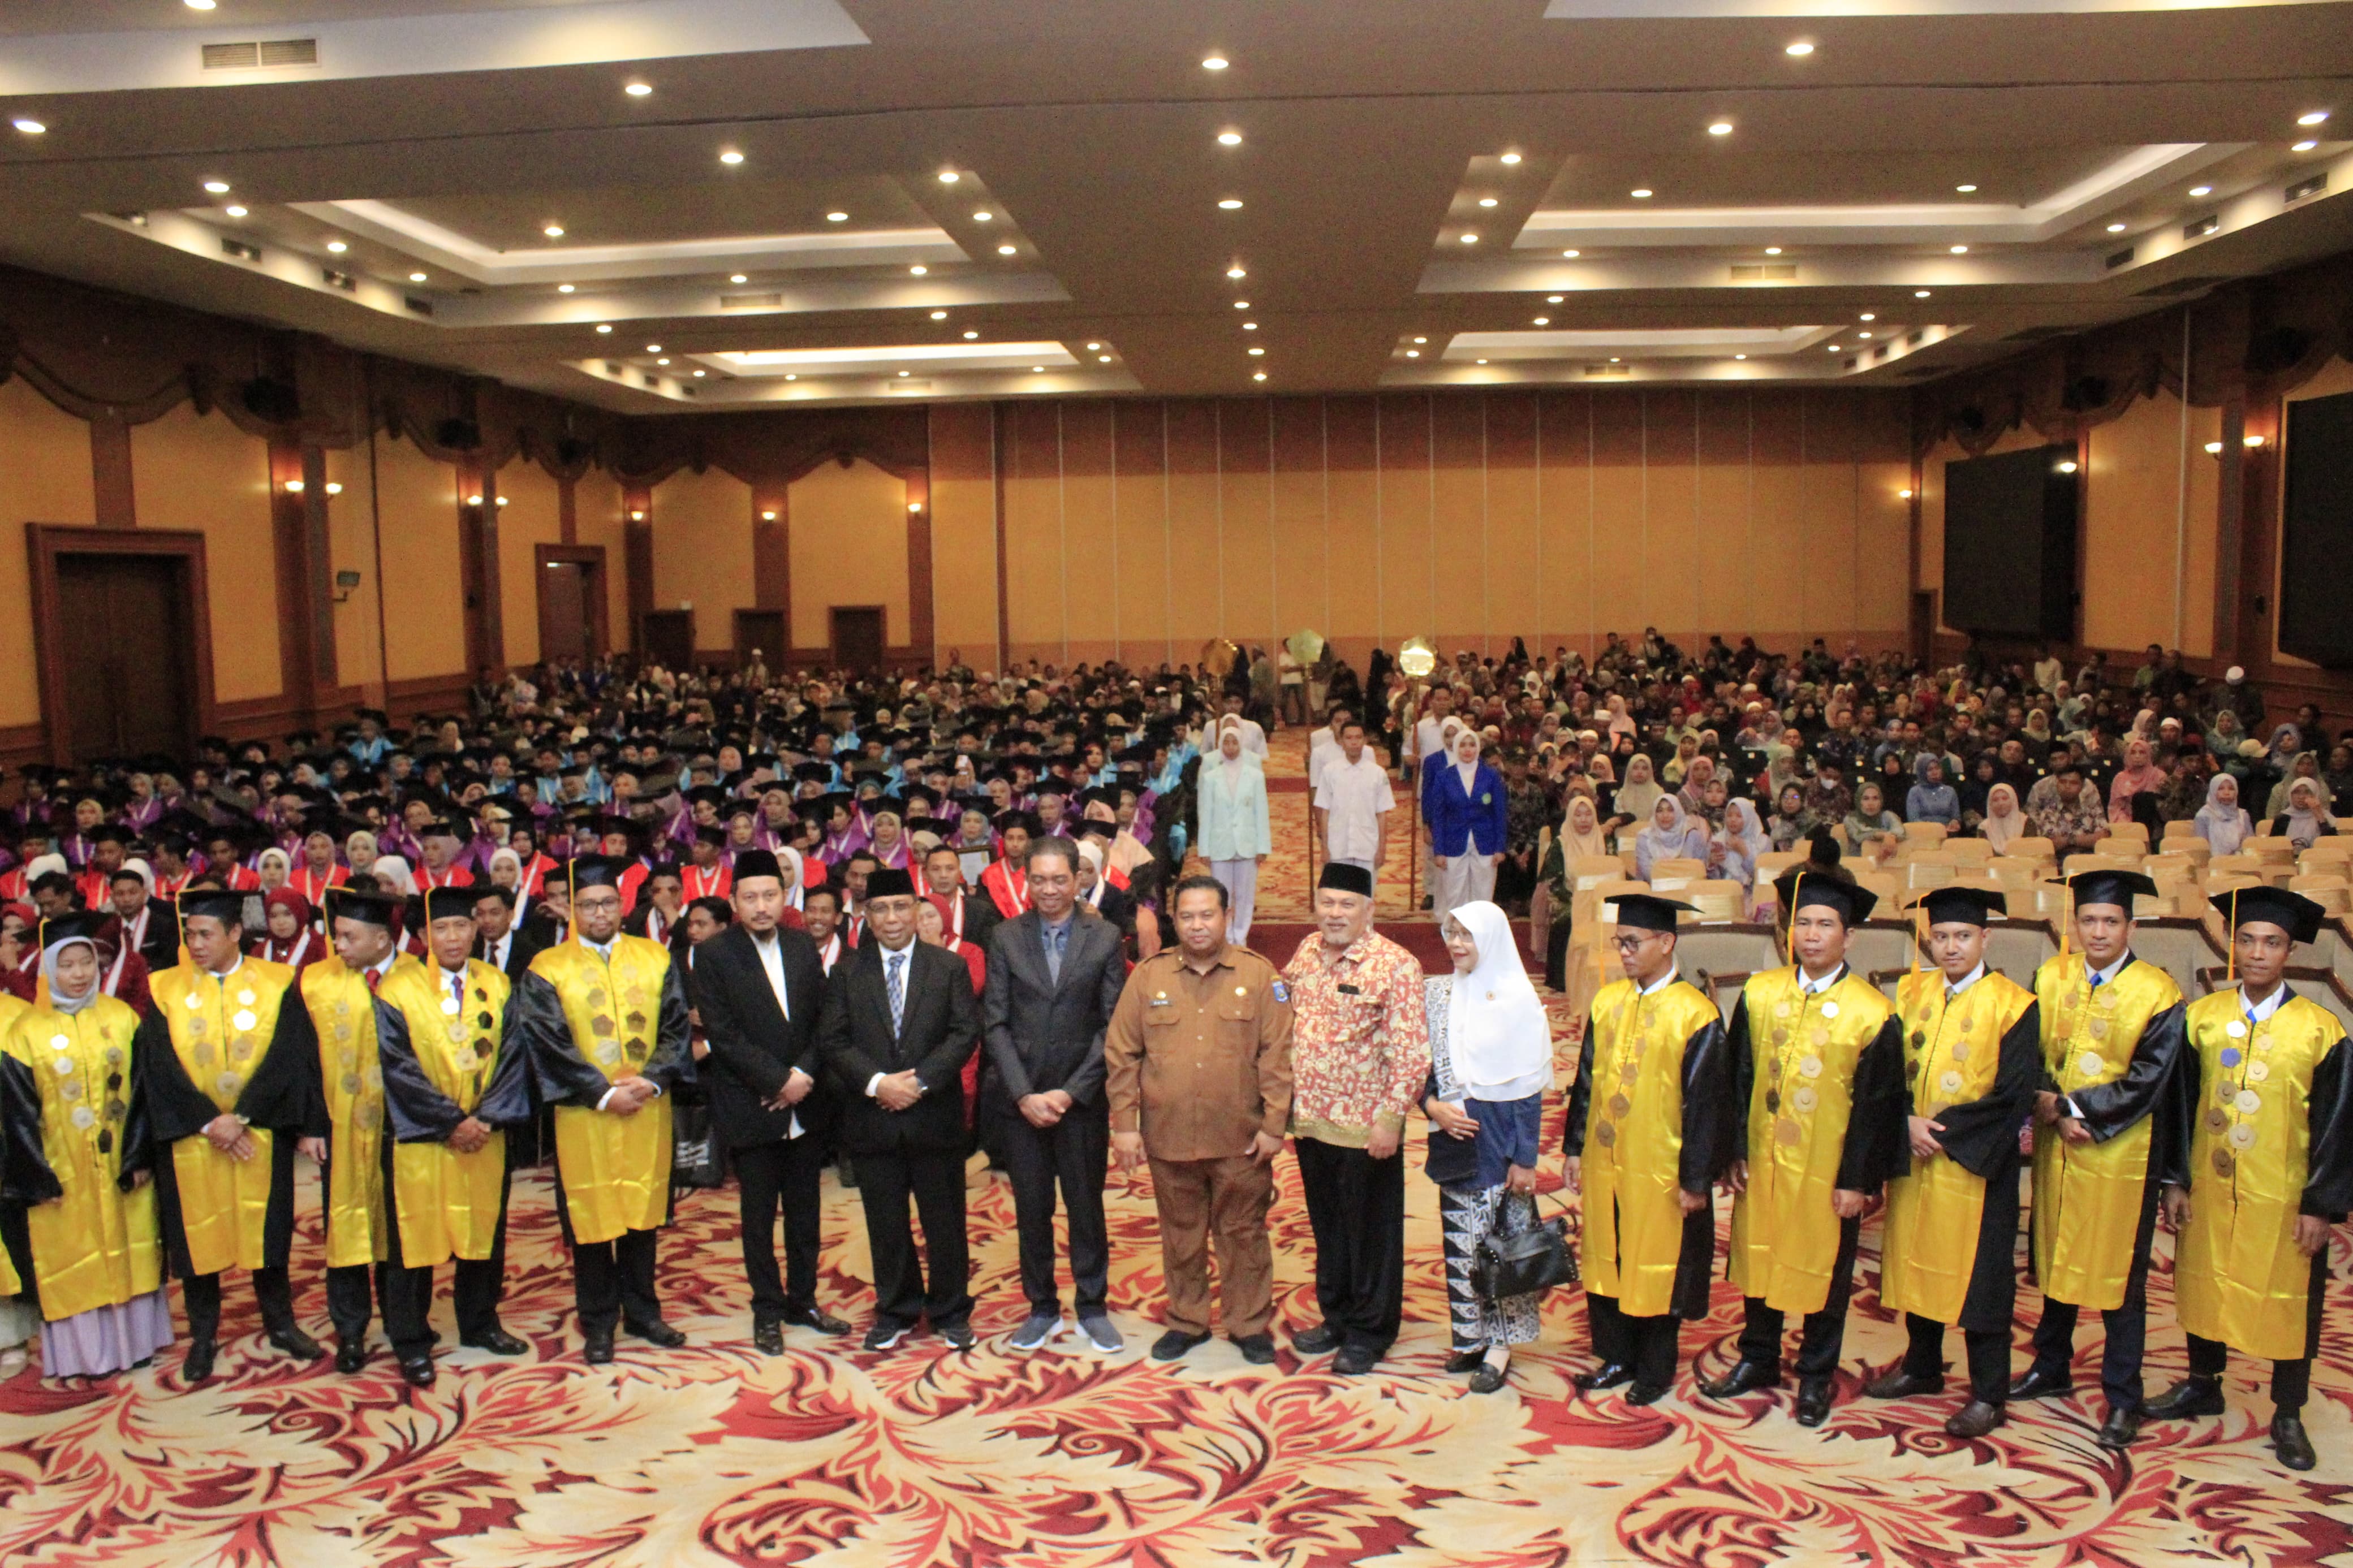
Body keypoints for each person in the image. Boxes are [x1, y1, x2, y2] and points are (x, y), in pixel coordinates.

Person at [2147, 885, 2353, 1472]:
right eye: (2248, 940)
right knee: (2203, 1280)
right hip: (2209, 1186)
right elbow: (2178, 1106)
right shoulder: (2201, 1019)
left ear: (2290, 950)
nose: (2258, 953)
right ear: (2231, 944)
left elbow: (2337, 1124)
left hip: (2283, 1195)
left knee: (2289, 1299)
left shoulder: (2321, 1030)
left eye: (2272, 942)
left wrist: (2319, 1204)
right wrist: (2173, 1180)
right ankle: (2202, 1382)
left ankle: (2287, 1410)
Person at [1705, 871, 1906, 1426]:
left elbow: (1876, 1105)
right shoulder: (1759, 993)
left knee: (1826, 1270)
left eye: (1825, 925)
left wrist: (1857, 1181)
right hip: (1763, 1160)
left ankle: (1816, 1373)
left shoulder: (1872, 1012)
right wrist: (1734, 1150)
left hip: (1827, 1169)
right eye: (1803, 923)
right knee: (1759, 1253)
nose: (1812, 935)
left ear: (1848, 936)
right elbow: (1737, 1077)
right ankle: (1758, 1356)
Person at [2011, 869, 2186, 1450]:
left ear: (2130, 926)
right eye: (2088, 920)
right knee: (2055, 1255)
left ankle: (2123, 1395)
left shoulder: (2157, 992)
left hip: (2120, 1154)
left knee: (2118, 1277)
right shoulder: (2051, 976)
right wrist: (2052, 1107)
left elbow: (2149, 1080)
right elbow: (2030, 1053)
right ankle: (2050, 1365)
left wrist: (2073, 1107)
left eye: (2110, 921)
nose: (2099, 931)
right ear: (2075, 923)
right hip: (2060, 1147)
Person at [132, 887, 325, 1381]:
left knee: (269, 1231)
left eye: (206, 933)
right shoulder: (164, 987)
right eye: (190, 934)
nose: (195, 944)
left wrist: (241, 1116)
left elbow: (290, 1055)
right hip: (192, 1138)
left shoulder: (277, 982)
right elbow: (159, 1065)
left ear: (236, 931)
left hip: (257, 1132)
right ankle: (203, 1335)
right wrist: (209, 1121)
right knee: (198, 1237)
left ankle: (281, 1323)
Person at [1869, 885, 2040, 1437]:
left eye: (1962, 935)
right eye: (1940, 936)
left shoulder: (2014, 1004)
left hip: (1975, 1166)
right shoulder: (1909, 993)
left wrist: (1939, 1132)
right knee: (1916, 1259)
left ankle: (1989, 1394)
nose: (1950, 946)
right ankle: (1922, 1365)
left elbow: (2014, 1093)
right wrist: (1904, 1122)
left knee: (1982, 1279)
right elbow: (1884, 1071)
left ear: (1984, 937)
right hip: (1917, 1158)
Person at [1105, 874, 1293, 1364]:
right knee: (1181, 1234)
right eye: (1186, 916)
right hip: (1169, 1136)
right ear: (1174, 920)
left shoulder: (1259, 975)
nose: (1197, 925)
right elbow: (1122, 1052)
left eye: (1207, 915)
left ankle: (1248, 1323)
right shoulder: (1149, 976)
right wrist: (1125, 1124)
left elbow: (1278, 1055)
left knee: (1244, 1234)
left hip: (1241, 1137)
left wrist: (1275, 1125)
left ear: (1227, 917)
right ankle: (1188, 1320)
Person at [512, 857, 693, 1363]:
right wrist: (603, 1093)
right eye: (588, 905)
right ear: (572, 909)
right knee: (592, 1218)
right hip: (584, 1114)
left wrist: (652, 1080)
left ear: (622, 904)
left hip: (646, 1107)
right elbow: (548, 1041)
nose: (599, 913)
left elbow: (676, 1026)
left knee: (642, 1212)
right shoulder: (549, 967)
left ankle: (643, 1312)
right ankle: (598, 1321)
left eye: (608, 903)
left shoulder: (655, 956)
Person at [1563, 892, 1731, 1405]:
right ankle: (1616, 1355)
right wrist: (1574, 1147)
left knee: (1657, 1262)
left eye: (1634, 942)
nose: (1624, 952)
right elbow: (1586, 1080)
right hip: (1607, 1160)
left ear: (1666, 942)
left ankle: (1655, 1368)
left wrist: (1696, 1179)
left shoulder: (1696, 1013)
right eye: (1620, 941)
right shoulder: (1608, 1001)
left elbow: (1706, 1106)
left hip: (1662, 1168)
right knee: (1607, 1254)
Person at [370, 887, 535, 1384]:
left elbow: (513, 1054)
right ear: (423, 935)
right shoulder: (397, 988)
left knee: (483, 1228)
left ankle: (480, 1322)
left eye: (462, 925)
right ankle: (411, 1338)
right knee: (413, 1239)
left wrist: (486, 1118)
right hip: (423, 1138)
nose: (453, 937)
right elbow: (397, 1066)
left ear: (476, 927)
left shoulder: (497, 982)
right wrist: (451, 1122)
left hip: (484, 1133)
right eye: (440, 928)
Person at [817, 866, 983, 1351]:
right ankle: (897, 1309)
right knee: (885, 1222)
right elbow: (833, 1040)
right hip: (874, 1118)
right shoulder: (846, 972)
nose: (892, 918)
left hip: (934, 1115)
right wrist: (878, 1084)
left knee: (945, 1221)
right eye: (881, 909)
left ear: (917, 910)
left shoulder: (947, 966)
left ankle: (952, 1310)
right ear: (867, 916)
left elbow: (964, 1033)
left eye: (901, 907)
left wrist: (920, 1081)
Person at [0, 914, 173, 1380]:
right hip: (62, 1169)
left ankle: (138, 1343)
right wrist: (37, 1178)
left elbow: (143, 1093)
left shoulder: (121, 1018)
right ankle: (85, 1354)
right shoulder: (24, 1032)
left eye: (86, 963)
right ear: (49, 969)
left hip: (120, 1164)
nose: (78, 974)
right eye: (67, 965)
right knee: (73, 1257)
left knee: (130, 1246)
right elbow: (17, 1115)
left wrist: (138, 1155)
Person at [687, 850, 846, 1353]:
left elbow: (824, 1019)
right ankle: (767, 1308)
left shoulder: (801, 945)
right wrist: (778, 1081)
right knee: (758, 1215)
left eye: (770, 896)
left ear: (784, 898)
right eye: (751, 897)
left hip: (805, 1098)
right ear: (734, 901)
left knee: (806, 1210)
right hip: (752, 1101)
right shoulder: (714, 954)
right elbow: (723, 1033)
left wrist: (802, 1076)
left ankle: (804, 1299)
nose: (761, 906)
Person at [1280, 861, 1429, 1373]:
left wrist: (1391, 1118)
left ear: (1370, 910)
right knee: (1328, 1227)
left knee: (1371, 1233)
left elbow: (1412, 1053)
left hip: (1367, 1128)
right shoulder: (1307, 951)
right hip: (1310, 1120)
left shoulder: (1396, 965)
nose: (1335, 913)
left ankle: (1369, 1331)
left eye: (1347, 904)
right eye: (1327, 902)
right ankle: (1337, 1317)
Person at [984, 836, 1130, 1354]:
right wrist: (1024, 1095)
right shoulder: (1004, 935)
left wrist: (1070, 1092)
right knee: (1032, 1208)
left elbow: (1113, 1024)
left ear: (1078, 879)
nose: (1049, 889)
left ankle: (1092, 1305)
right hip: (1021, 1103)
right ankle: (1041, 1306)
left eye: (1059, 879)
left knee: (1086, 1207)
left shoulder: (1105, 936)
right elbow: (995, 1022)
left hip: (1080, 1100)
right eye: (1039, 879)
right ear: (1027, 880)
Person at [1421, 901, 1552, 1394]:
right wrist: (1432, 1106)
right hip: (1453, 1136)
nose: (1456, 944)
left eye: (1467, 935)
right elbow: (1422, 1068)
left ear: (1492, 939)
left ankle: (1501, 1345)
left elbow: (1528, 1090)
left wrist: (1525, 1158)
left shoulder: (1518, 999)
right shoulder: (1439, 993)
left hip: (1499, 1139)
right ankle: (1471, 1338)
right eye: (1451, 932)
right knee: (1461, 1238)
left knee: (1501, 1244)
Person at [298, 886, 425, 1375]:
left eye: (350, 937)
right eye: (338, 935)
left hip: (405, 1125)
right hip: (342, 1126)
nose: (340, 945)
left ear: (381, 938)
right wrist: (311, 1126)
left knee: (404, 1227)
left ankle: (406, 1326)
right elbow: (305, 1060)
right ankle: (350, 1329)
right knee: (345, 1224)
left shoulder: (419, 976)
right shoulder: (316, 981)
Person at [1196, 724, 1271, 948]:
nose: (1230, 747)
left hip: (1248, 843)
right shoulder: (1211, 778)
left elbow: (1261, 812)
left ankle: (1241, 935)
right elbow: (1205, 814)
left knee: (1246, 895)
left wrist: (1263, 846)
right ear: (1220, 745)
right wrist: (1204, 848)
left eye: (1234, 742)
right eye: (1226, 743)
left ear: (1241, 745)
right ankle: (1226, 936)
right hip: (1219, 844)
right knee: (1222, 894)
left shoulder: (1255, 776)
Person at [1425, 728, 1506, 922]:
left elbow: (1500, 813)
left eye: (1472, 745)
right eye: (1463, 745)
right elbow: (1438, 816)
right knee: (1454, 893)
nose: (1468, 750)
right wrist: (1439, 850)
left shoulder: (1491, 776)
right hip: (1453, 841)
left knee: (1483, 893)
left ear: (1478, 748)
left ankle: (1481, 932)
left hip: (1485, 841)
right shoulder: (1444, 777)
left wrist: (1500, 847)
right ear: (1455, 748)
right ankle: (1455, 931)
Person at [1313, 720, 1394, 883]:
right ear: (1342, 742)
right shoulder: (1330, 771)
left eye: (1358, 738)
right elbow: (1325, 811)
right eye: (1349, 738)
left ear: (1365, 740)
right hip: (1338, 847)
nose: (1354, 742)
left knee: (1365, 895)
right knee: (1340, 894)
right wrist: (1325, 847)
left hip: (1367, 847)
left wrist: (1382, 849)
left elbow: (1382, 814)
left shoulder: (1378, 774)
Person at [1632, 796, 1709, 881]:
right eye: (1660, 811)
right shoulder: (1645, 838)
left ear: (1678, 812)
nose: (1665, 815)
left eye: (1671, 810)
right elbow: (1648, 874)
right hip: (1654, 887)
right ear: (1655, 814)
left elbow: (1700, 870)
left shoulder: (1692, 836)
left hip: (1688, 886)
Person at [2192, 774, 2253, 856]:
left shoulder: (2243, 815)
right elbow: (2202, 850)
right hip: (2212, 861)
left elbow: (2250, 845)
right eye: (2221, 789)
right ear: (2213, 791)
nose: (2227, 793)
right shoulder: (2203, 816)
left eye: (2231, 789)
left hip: (2240, 860)